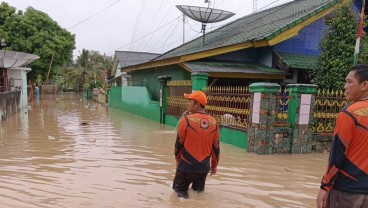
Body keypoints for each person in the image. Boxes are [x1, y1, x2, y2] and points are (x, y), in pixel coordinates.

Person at [317, 64, 368, 208]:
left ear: (364, 85)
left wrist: (325, 186)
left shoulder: (350, 113)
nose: (345, 86)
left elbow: (337, 154)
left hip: (347, 191)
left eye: (349, 82)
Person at [173, 90, 220, 199]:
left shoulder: (186, 121)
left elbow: (178, 146)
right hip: (203, 169)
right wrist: (214, 166)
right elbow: (216, 149)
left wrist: (177, 161)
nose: (187, 103)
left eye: (190, 101)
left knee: (178, 194)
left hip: (186, 166)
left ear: (197, 105)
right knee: (198, 195)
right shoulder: (214, 122)